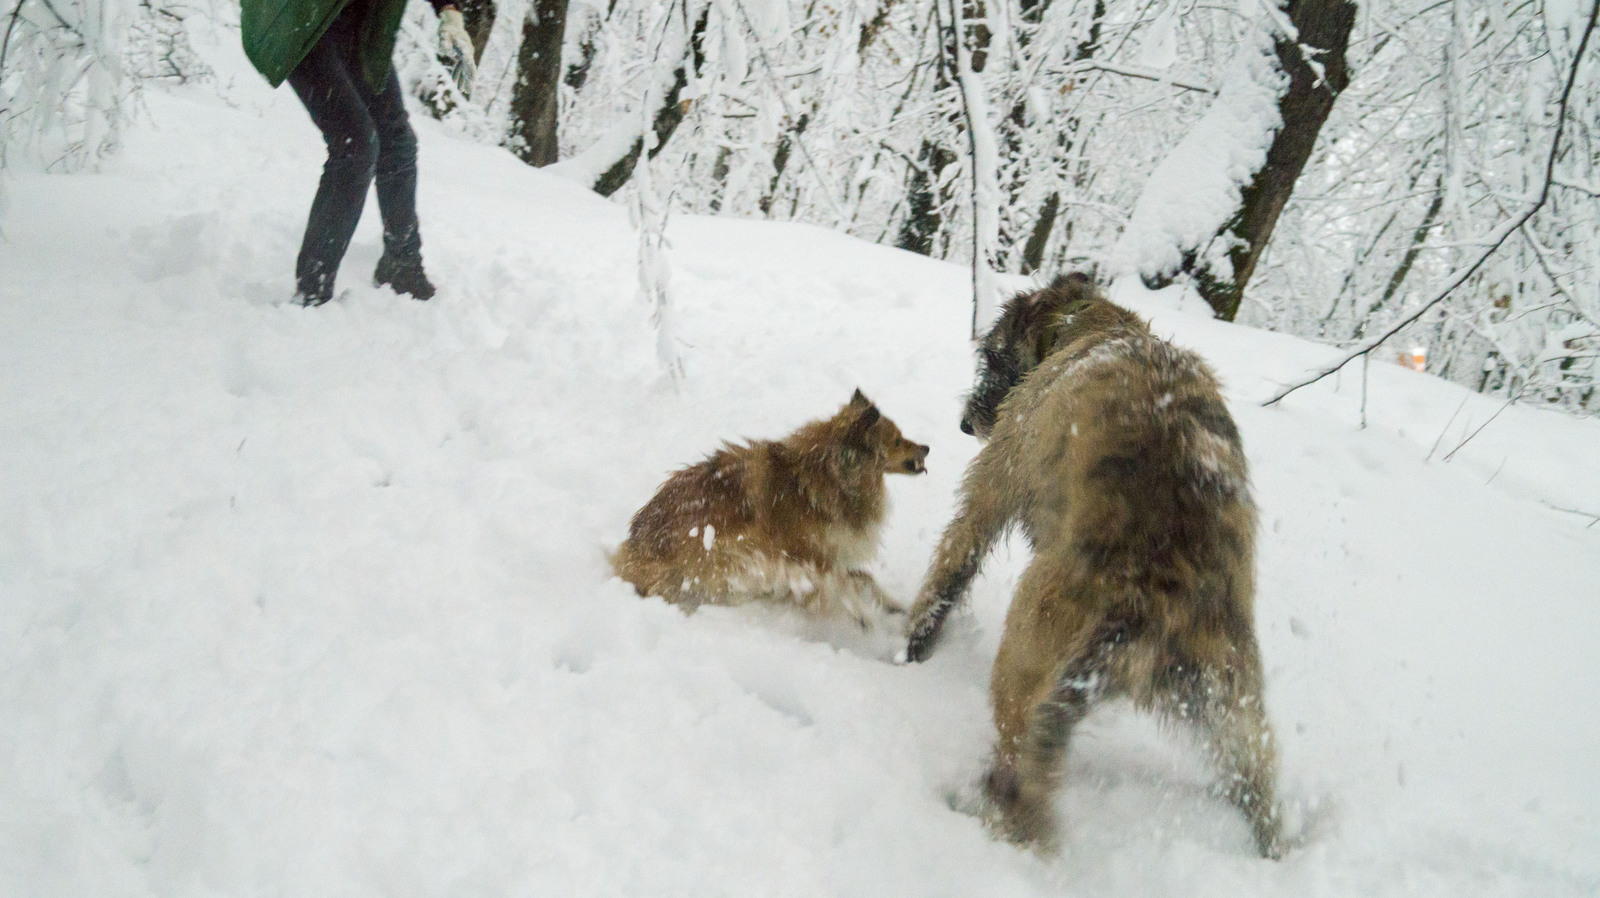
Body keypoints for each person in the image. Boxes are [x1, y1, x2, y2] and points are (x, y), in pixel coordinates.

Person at [241, 0, 476, 306]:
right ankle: (313, 288)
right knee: (356, 145)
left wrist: (450, 12)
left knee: (397, 142)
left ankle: (402, 265)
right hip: (301, 22)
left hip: (356, 26)